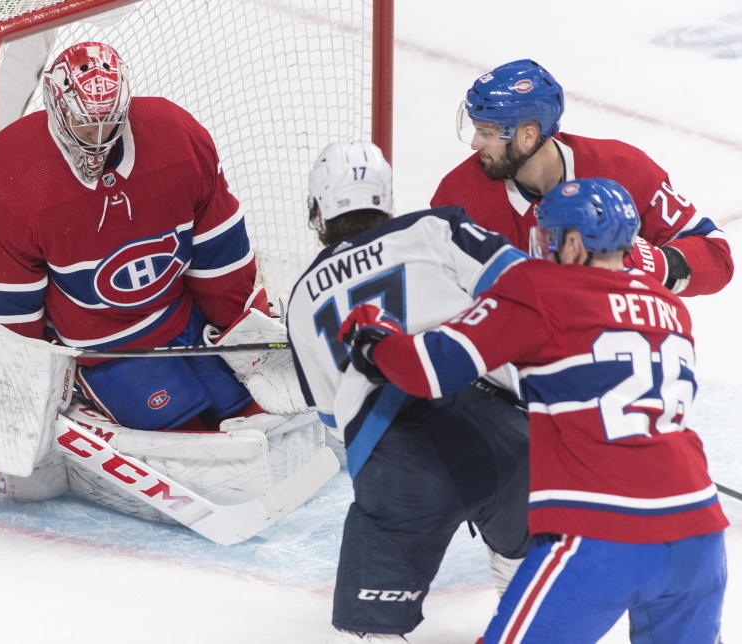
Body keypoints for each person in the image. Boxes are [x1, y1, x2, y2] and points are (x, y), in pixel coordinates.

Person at [341, 177, 728, 643]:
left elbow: (429, 369)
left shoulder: (540, 287)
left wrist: (375, 338)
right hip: (699, 533)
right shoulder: (669, 306)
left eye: (548, 234)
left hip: (602, 533)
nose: (540, 243)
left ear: (570, 242)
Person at [286, 141, 533, 642]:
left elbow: (333, 419)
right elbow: (524, 287)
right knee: (528, 575)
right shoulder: (436, 227)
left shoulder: (302, 296)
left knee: (374, 630)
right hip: (499, 428)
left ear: (318, 211)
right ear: (384, 199)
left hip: (394, 454)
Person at [0, 41, 265, 433]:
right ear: (56, 107)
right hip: (105, 348)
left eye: (112, 121)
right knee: (183, 428)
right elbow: (3, 298)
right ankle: (90, 390)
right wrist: (24, 377)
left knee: (247, 407)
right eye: (87, 124)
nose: (100, 139)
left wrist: (238, 320)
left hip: (185, 319)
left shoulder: (176, 136)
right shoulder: (16, 174)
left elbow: (218, 246)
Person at [432, 58, 733, 297]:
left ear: (527, 136)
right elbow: (433, 287)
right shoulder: (458, 195)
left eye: (487, 133)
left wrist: (641, 263)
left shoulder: (623, 169)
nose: (475, 144)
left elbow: (716, 256)